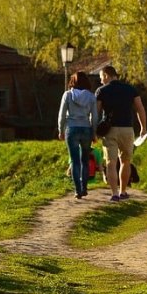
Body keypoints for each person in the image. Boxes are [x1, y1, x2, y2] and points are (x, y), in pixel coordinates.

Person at [95, 65, 147, 202]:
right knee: (126, 161)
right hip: (127, 129)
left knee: (111, 163)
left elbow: (95, 113)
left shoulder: (101, 91)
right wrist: (143, 128)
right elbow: (140, 109)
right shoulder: (130, 89)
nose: (101, 81)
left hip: (109, 130)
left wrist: (94, 131)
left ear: (106, 75)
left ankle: (114, 194)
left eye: (101, 78)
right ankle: (123, 191)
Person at [58, 71, 98, 199]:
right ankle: (84, 187)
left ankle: (77, 190)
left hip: (72, 128)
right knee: (85, 160)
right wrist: (94, 132)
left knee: (75, 161)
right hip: (86, 128)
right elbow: (95, 116)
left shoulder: (68, 95)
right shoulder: (91, 97)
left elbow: (62, 114)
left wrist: (60, 130)